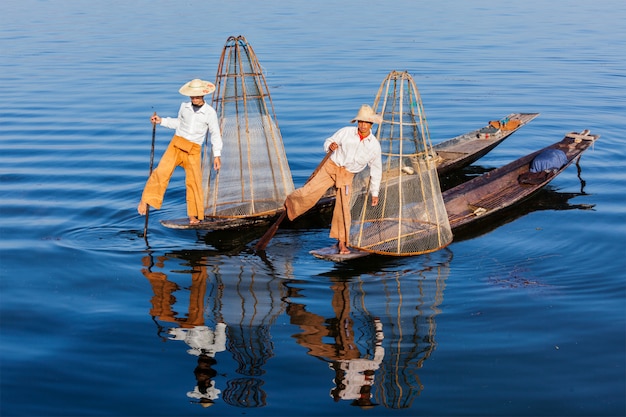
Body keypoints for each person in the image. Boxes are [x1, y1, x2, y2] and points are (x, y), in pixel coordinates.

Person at [284, 104, 382, 254]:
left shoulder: (374, 145)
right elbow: (328, 141)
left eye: (366, 122)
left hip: (346, 175)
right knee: (308, 192)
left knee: (343, 209)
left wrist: (375, 193)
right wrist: (330, 146)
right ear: (357, 122)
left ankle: (341, 243)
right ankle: (289, 206)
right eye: (360, 122)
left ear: (371, 124)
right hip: (330, 167)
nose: (362, 125)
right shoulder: (346, 132)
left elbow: (376, 169)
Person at [137, 79, 223, 224]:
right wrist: (161, 121)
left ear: (203, 95)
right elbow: (178, 122)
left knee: (194, 182)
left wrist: (217, 155)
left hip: (193, 149)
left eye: (197, 96)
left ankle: (193, 216)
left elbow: (215, 133)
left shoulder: (209, 113)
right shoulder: (184, 107)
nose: (194, 98)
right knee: (161, 172)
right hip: (176, 144)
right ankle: (146, 200)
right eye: (192, 96)